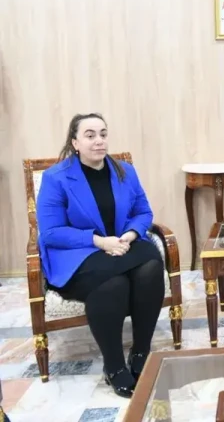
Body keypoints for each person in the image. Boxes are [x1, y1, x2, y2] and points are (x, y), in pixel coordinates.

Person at [36, 113, 165, 399]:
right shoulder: (56, 177)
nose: (99, 141)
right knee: (113, 284)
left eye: (103, 134)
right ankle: (114, 366)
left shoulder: (125, 171)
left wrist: (130, 235)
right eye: (90, 135)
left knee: (151, 265)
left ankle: (141, 352)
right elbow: (52, 232)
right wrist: (98, 241)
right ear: (75, 142)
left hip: (120, 245)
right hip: (78, 254)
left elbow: (143, 212)